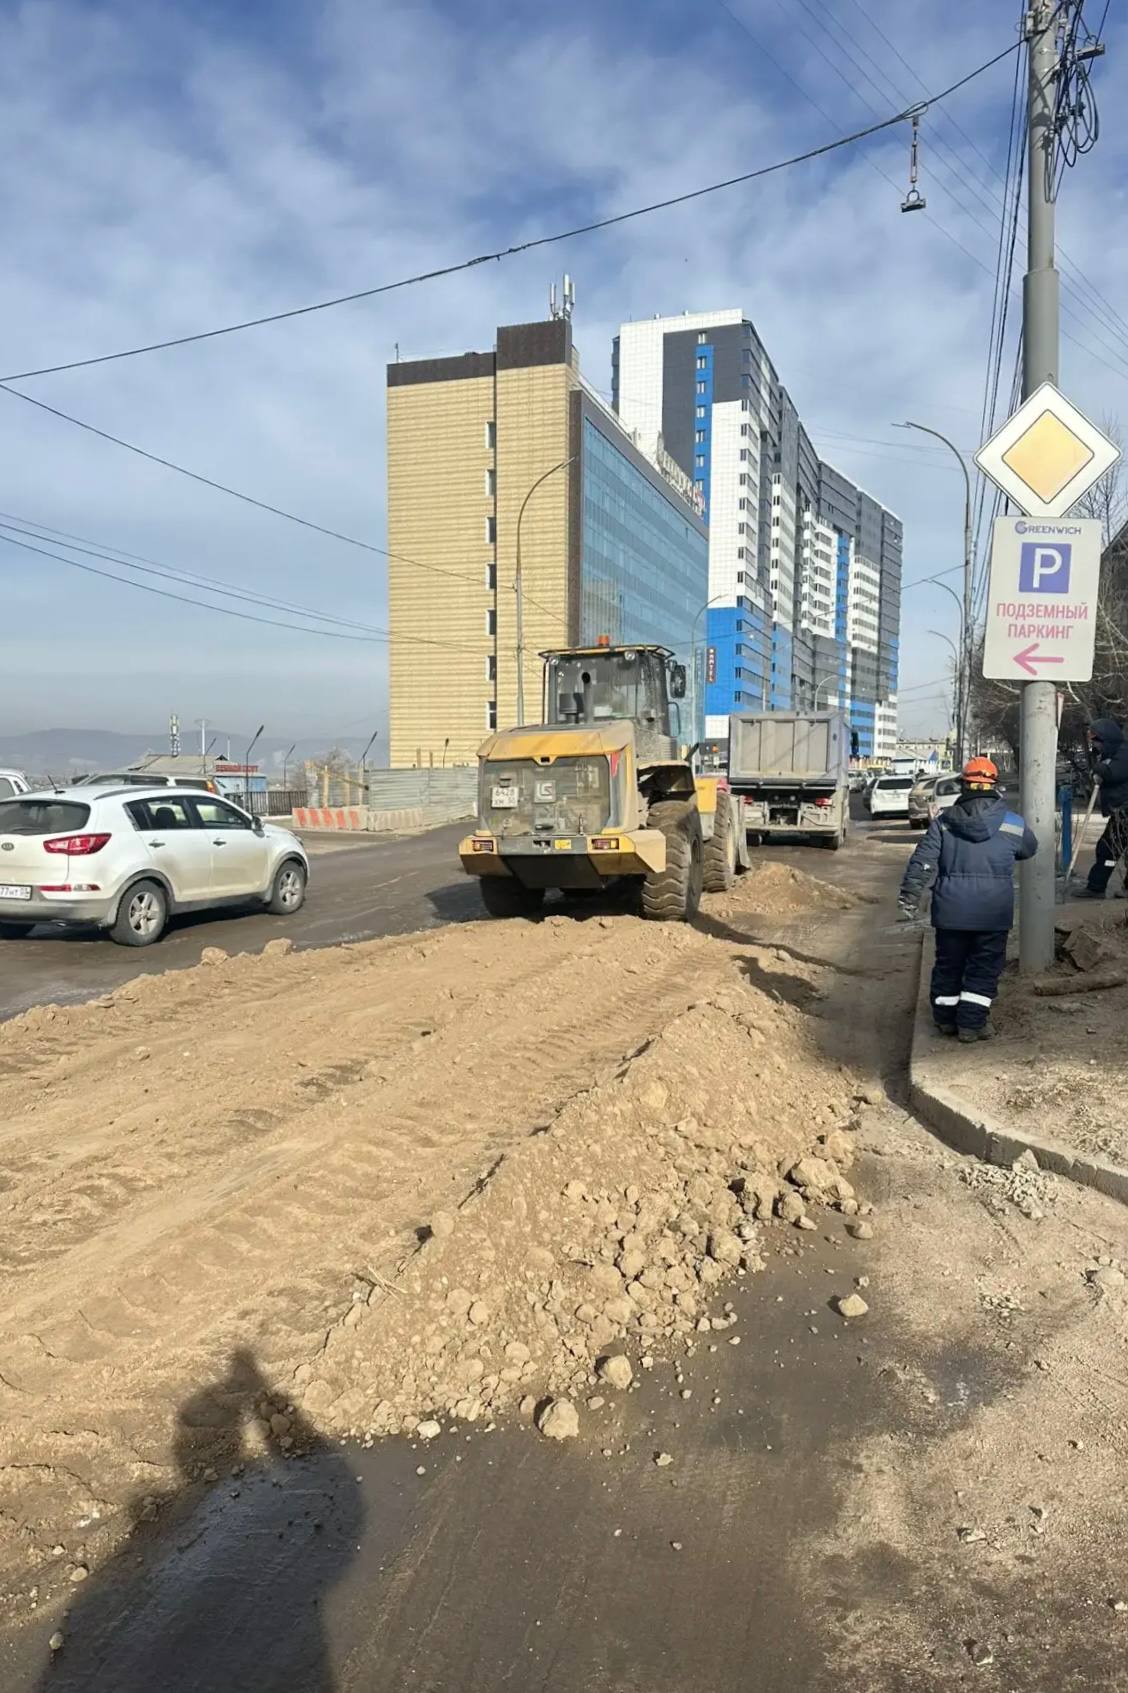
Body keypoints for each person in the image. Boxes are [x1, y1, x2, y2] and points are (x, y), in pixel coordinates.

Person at [898, 756, 1037, 1043]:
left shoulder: (944, 822)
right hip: (993, 912)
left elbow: (923, 861)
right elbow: (1028, 850)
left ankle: (945, 1020)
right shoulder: (1013, 823)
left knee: (949, 965)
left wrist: (909, 896)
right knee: (984, 968)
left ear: (964, 785)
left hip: (951, 911)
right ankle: (972, 1026)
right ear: (994, 786)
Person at [1076, 717, 1128, 899]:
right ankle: (1097, 886)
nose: (1095, 745)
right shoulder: (1110, 755)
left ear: (1106, 739)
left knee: (1108, 848)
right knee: (1108, 849)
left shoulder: (1123, 754)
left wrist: (1099, 770)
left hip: (1125, 811)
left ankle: (1096, 887)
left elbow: (1113, 773)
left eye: (1097, 741)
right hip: (1120, 811)